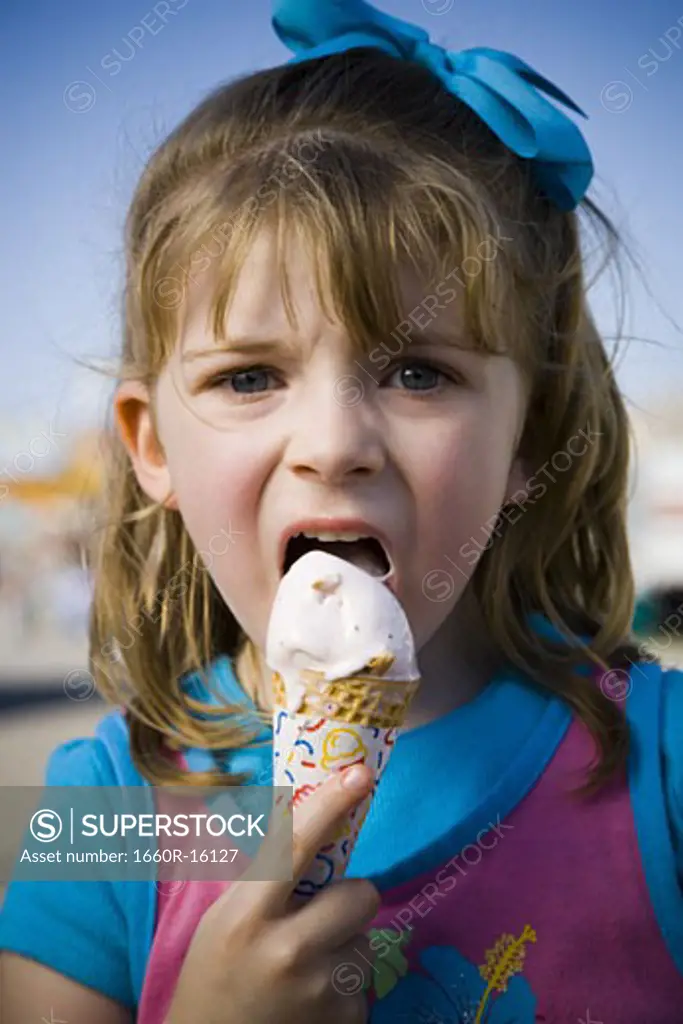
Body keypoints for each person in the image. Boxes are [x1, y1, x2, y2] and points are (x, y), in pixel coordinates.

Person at [2, 1, 683, 1021]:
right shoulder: (105, 810)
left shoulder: (656, 774)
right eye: (246, 377)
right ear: (151, 446)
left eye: (416, 371)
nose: (332, 443)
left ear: (527, 439)